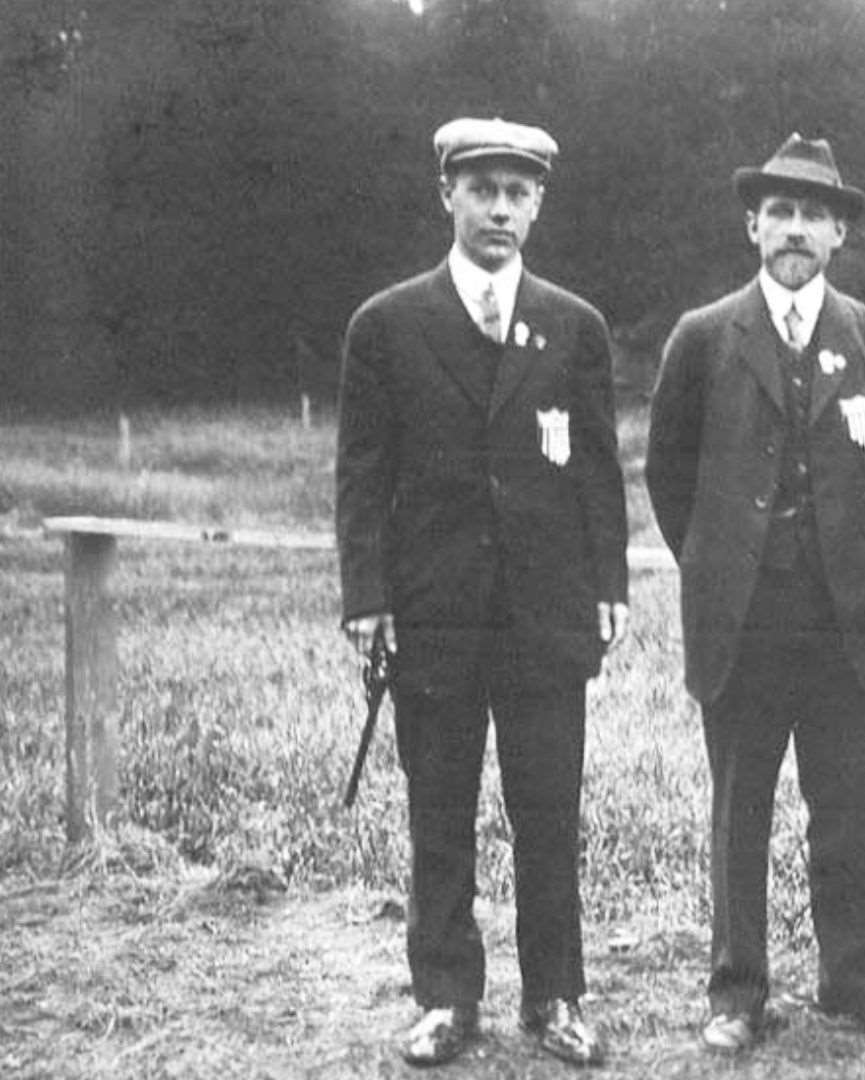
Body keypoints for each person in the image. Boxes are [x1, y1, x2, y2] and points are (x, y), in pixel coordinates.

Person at [335, 117, 629, 1068]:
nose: (500, 208)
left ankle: (556, 997)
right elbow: (361, 472)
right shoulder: (387, 324)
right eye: (482, 189)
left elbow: (595, 468)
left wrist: (608, 582)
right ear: (447, 196)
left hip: (545, 614)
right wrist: (367, 594)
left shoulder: (574, 325)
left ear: (539, 203)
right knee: (441, 812)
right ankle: (446, 998)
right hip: (436, 613)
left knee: (549, 811)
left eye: (518, 192)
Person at [644, 133, 865, 1054]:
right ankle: (737, 991)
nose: (797, 230)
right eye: (781, 212)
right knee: (741, 806)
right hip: (742, 619)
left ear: (839, 233)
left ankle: (853, 980)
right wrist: (724, 561)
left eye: (815, 214)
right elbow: (667, 474)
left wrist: (846, 555)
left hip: (843, 618)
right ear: (752, 225)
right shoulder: (703, 336)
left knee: (847, 802)